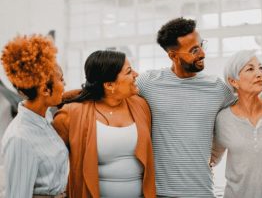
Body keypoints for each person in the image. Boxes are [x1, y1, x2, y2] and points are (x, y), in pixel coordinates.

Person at [137, 17, 235, 197]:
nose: (203, 54)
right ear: (173, 56)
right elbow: (110, 91)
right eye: (194, 50)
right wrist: (68, 97)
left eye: (201, 45)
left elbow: (243, 110)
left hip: (202, 191)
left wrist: (216, 154)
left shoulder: (217, 88)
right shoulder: (148, 83)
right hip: (158, 192)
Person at [53, 50, 156, 198]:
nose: (136, 74)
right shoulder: (71, 114)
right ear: (109, 85)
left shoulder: (141, 105)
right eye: (128, 72)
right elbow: (51, 163)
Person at [210, 50, 262, 198]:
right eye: (250, 69)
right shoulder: (223, 119)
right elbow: (211, 158)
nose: (259, 74)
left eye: (261, 68)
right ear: (233, 81)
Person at [1, 34, 68, 198]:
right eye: (62, 79)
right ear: (45, 90)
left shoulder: (44, 118)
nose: (65, 84)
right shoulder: (21, 138)